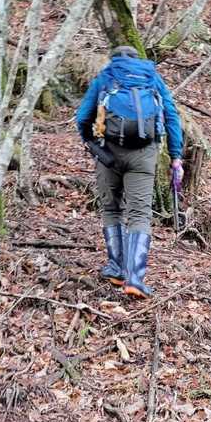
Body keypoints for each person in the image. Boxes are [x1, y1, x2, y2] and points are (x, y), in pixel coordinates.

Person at [75, 44, 184, 298]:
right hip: (144, 155)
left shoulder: (106, 77)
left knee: (111, 209)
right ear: (138, 59)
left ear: (113, 59)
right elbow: (171, 116)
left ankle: (116, 268)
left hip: (108, 153)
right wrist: (176, 156)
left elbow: (82, 117)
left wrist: (91, 142)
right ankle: (135, 279)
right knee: (140, 214)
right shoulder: (152, 78)